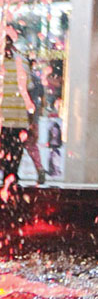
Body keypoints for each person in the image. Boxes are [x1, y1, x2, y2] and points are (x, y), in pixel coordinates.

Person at [0, 39, 32, 190]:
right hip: (14, 119)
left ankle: (9, 178)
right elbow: (29, 90)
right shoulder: (23, 62)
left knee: (10, 151)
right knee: (13, 151)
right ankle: (10, 178)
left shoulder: (22, 63)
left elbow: (28, 91)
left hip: (12, 119)